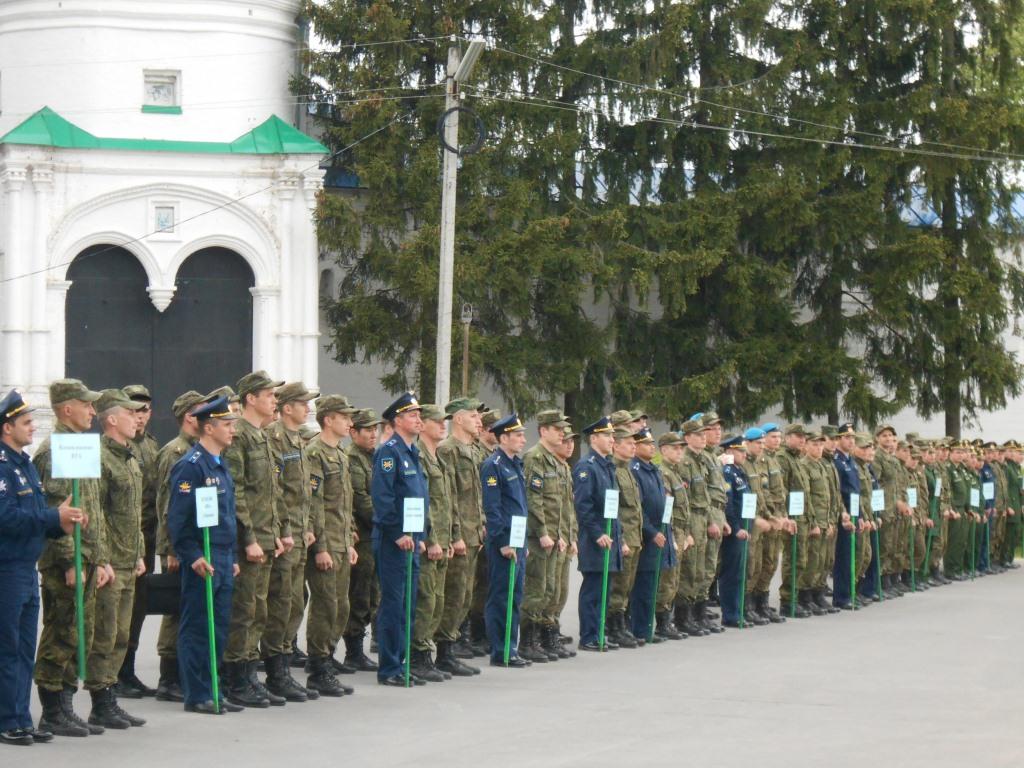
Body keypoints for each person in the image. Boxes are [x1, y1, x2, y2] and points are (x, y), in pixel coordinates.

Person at [0, 390, 85, 746]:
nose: (33, 428)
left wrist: (59, 524)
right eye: (26, 423)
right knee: (7, 648)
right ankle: (8, 720)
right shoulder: (3, 468)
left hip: (25, 567)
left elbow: (34, 519)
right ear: (7, 428)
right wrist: (51, 515)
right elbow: (6, 518)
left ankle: (20, 716)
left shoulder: (25, 464)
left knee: (22, 649)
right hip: (6, 569)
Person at [32, 379, 105, 737]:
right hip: (67, 559)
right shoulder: (55, 449)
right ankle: (52, 708)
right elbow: (55, 512)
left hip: (87, 556)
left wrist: (99, 557)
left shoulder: (79, 445)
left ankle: (65, 702)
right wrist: (68, 561)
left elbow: (92, 508)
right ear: (66, 409)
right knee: (62, 630)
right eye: (87, 404)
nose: (93, 411)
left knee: (80, 634)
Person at [167, 396, 242, 714]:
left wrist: (233, 555)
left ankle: (214, 686)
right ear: (208, 428)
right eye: (227, 425)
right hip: (203, 558)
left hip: (223, 555)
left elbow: (226, 515)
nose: (232, 431)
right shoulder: (191, 467)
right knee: (199, 625)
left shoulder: (220, 464)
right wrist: (192, 555)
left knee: (220, 625)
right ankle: (197, 692)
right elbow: (179, 519)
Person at [222, 371, 287, 708]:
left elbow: (273, 492)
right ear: (250, 398)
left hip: (267, 536)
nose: (274, 400)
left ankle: (249, 674)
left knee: (259, 609)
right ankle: (237, 678)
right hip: (250, 540)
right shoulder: (240, 437)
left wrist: (281, 531)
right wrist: (248, 537)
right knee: (244, 611)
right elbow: (237, 493)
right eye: (269, 394)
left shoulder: (262, 436)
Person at [85, 389, 147, 730]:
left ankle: (110, 696)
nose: (137, 418)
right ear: (111, 419)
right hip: (109, 562)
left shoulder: (130, 456)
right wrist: (102, 559)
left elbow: (132, 512)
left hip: (127, 558)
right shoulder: (99, 458)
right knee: (105, 634)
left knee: (122, 634)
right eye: (129, 413)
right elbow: (98, 514)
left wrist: (138, 551)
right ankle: (100, 700)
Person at [152, 390, 208, 703]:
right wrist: (171, 549)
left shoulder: (196, 451)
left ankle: (184, 674)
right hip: (177, 545)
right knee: (176, 609)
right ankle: (167, 676)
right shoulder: (174, 452)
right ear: (189, 416)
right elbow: (166, 505)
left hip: (194, 542)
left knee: (188, 607)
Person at [264, 382, 319, 698]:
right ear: (287, 408)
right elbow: (278, 492)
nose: (307, 408)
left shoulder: (297, 440)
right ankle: (275, 669)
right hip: (284, 535)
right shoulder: (274, 438)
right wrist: (284, 529)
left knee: (295, 600)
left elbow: (304, 493)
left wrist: (307, 525)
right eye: (302, 403)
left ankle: (283, 661)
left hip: (299, 533)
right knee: (281, 601)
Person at [303, 395, 360, 696]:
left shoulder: (340, 454)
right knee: (326, 605)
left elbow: (344, 502)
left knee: (341, 606)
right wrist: (321, 547)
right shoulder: (315, 453)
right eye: (344, 417)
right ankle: (318, 666)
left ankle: (328, 655)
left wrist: (349, 538)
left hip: (340, 541)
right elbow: (315, 504)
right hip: (325, 544)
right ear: (328, 420)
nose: (350, 423)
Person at [371, 393, 429, 686]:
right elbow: (383, 498)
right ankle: (390, 667)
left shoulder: (411, 451)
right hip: (393, 541)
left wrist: (419, 535)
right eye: (412, 415)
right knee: (394, 604)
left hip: (411, 539)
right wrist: (398, 533)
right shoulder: (389, 452)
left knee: (408, 603)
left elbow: (417, 497)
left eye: (419, 415)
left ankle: (402, 662)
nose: (418, 419)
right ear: (396, 421)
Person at [409, 404, 461, 681]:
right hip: (430, 543)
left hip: (442, 542)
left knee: (438, 600)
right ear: (424, 425)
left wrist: (451, 536)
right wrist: (429, 538)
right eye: (438, 422)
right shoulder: (417, 456)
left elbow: (448, 503)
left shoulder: (438, 457)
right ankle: (418, 655)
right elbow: (422, 502)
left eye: (445, 422)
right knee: (425, 600)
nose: (443, 426)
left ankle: (429, 652)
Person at [116, 384, 160, 699]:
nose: (139, 416)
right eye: (132, 409)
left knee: (139, 607)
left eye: (144, 409)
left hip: (148, 537)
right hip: (122, 539)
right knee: (118, 609)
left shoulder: (152, 447)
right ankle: (113, 673)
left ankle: (127, 669)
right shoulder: (118, 447)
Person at [436, 398, 486, 662]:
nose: (479, 421)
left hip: (473, 533)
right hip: (459, 536)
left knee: (466, 594)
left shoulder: (474, 450)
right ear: (458, 419)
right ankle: (444, 650)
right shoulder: (448, 450)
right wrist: (455, 535)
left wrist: (482, 524)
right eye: (473, 416)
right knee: (454, 594)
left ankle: (453, 642)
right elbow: (449, 497)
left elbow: (476, 496)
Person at [522, 410, 573, 662]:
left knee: (552, 589)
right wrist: (542, 532)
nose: (562, 433)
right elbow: (534, 499)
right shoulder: (535, 458)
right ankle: (528, 642)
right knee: (536, 589)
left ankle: (546, 636)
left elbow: (563, 505)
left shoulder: (555, 461)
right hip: (539, 538)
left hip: (556, 537)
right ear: (543, 431)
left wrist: (566, 535)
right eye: (557, 428)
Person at [481, 414, 530, 667]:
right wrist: (502, 541)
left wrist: (523, 543)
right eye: (518, 435)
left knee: (515, 595)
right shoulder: (494, 465)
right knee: (502, 596)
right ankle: (500, 650)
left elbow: (520, 506)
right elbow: (493, 508)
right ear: (503, 438)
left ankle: (512, 646)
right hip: (504, 541)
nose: (523, 439)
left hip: (518, 539)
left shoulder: (515, 464)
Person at [573, 416, 622, 652]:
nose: (612, 439)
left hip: (610, 537)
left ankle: (599, 631)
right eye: (607, 435)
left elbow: (613, 508)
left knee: (606, 588)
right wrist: (596, 533)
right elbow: (583, 506)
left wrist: (618, 537)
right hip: (596, 539)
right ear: (594, 438)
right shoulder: (587, 467)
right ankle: (589, 635)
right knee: (593, 589)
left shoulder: (607, 466)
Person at [343, 409, 381, 672]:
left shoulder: (373, 458)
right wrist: (386, 521)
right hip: (363, 536)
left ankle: (359, 645)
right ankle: (353, 650)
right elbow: (361, 499)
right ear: (353, 432)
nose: (372, 434)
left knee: (372, 594)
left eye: (374, 429)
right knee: (359, 593)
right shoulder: (352, 459)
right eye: (366, 430)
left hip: (375, 535)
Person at [629, 428, 674, 643]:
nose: (651, 447)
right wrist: (651, 531)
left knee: (653, 584)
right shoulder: (635, 469)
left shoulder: (653, 469)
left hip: (661, 533)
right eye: (646, 443)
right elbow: (638, 508)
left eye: (652, 443)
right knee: (643, 586)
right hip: (648, 537)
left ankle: (648, 628)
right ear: (635, 446)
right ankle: (640, 629)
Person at [718, 436, 753, 628]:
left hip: (744, 528)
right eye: (741, 451)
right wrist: (736, 528)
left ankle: (738, 610)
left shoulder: (740, 471)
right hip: (735, 530)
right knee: (732, 573)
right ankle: (730, 613)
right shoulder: (727, 472)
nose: (745, 454)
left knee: (741, 572)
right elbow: (728, 503)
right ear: (729, 452)